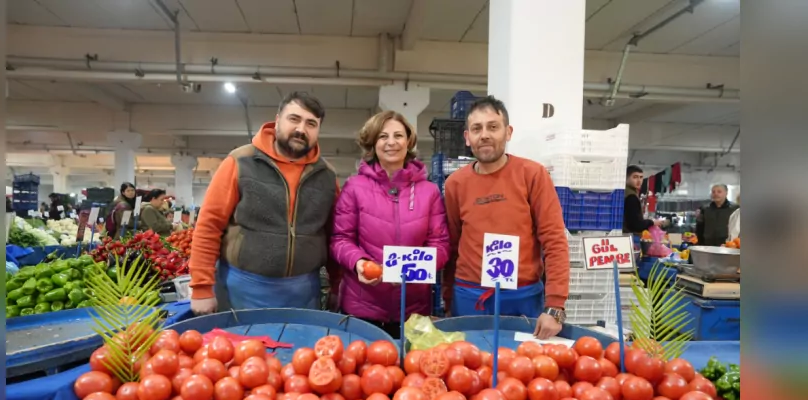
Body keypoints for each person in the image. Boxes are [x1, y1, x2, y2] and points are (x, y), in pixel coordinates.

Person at [189, 92, 341, 314]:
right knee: (243, 348)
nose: (301, 129)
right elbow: (209, 225)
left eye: (311, 124)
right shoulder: (240, 162)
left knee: (300, 347)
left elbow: (333, 234)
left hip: (304, 291)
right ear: (278, 120)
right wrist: (201, 287)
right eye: (294, 119)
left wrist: (338, 284)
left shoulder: (327, 175)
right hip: (242, 288)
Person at [443, 96, 570, 339]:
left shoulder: (532, 175)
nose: (485, 135)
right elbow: (452, 245)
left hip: (523, 297)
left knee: (522, 373)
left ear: (508, 132)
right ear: (467, 137)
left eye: (493, 127)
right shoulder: (455, 184)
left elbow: (554, 240)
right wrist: (448, 298)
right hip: (469, 297)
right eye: (477, 128)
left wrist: (555, 306)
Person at [330, 111, 450, 338]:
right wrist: (359, 262)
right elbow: (340, 239)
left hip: (412, 310)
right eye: (383, 136)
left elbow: (441, 245)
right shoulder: (355, 187)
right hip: (362, 307)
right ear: (373, 143)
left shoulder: (429, 192)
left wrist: (410, 268)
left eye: (398, 135)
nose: (391, 142)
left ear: (409, 141)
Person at [623, 165, 666, 234]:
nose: (639, 180)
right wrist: (652, 222)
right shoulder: (631, 197)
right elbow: (636, 225)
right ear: (626, 178)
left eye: (641, 177)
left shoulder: (626, 192)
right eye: (635, 177)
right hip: (628, 235)